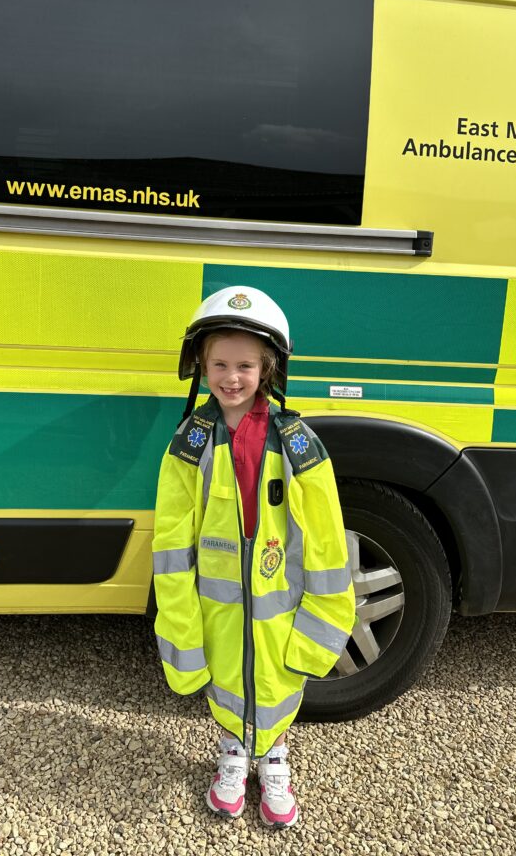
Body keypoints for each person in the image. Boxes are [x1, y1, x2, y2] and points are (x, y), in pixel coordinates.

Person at [152, 285, 356, 828]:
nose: (231, 377)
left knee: (275, 685)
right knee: (225, 683)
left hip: (280, 610)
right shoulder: (188, 444)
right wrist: (180, 621)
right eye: (219, 363)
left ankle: (276, 761)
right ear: (199, 364)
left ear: (267, 369)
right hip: (215, 609)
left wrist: (323, 624)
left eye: (245, 365)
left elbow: (328, 543)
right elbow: (172, 542)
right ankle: (232, 755)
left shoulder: (297, 443)